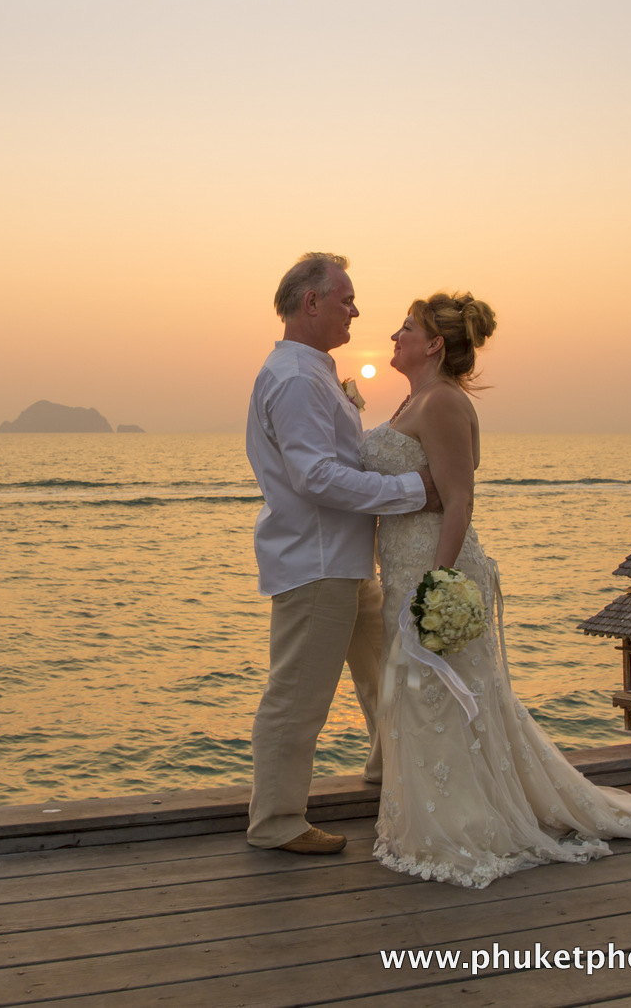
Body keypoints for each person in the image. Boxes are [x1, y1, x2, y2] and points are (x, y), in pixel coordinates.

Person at [362, 292, 631, 888]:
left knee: (439, 696)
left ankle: (463, 825)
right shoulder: (413, 399)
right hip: (405, 573)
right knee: (425, 700)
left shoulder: (440, 402)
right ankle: (442, 813)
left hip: (432, 573)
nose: (395, 335)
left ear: (434, 343)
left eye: (407, 327)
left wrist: (438, 584)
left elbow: (459, 498)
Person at [244, 252, 440, 855]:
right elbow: (316, 477)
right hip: (319, 563)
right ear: (311, 302)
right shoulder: (299, 379)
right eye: (346, 298)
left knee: (389, 675)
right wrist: (413, 490)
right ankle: (276, 822)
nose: (356, 309)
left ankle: (387, 777)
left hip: (348, 565)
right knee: (299, 696)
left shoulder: (314, 372)